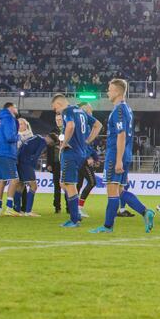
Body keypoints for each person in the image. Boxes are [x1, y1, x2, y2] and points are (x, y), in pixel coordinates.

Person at [90, 79, 155, 233]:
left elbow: (121, 135)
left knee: (112, 191)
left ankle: (107, 226)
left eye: (109, 89)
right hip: (125, 154)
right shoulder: (127, 109)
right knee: (119, 191)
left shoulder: (119, 110)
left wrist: (117, 160)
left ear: (118, 92)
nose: (107, 92)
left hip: (116, 156)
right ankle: (145, 212)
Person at [52, 94, 102, 227]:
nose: (55, 110)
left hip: (71, 153)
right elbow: (98, 125)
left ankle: (74, 219)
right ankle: (76, 215)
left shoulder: (66, 111)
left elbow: (70, 126)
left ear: (58, 104)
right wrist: (86, 142)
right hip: (81, 153)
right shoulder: (81, 111)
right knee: (66, 184)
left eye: (54, 107)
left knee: (68, 185)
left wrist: (64, 143)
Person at [17, 133, 59, 217]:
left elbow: (22, 146)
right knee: (33, 186)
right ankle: (28, 211)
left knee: (21, 185)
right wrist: (33, 166)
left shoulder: (36, 136)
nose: (50, 144)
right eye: (51, 142)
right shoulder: (43, 142)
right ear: (49, 139)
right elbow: (36, 155)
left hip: (20, 160)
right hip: (27, 163)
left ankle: (17, 210)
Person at [0, 102, 20, 217]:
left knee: (2, 180)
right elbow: (10, 137)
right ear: (10, 108)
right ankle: (9, 207)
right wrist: (19, 136)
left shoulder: (2, 119)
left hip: (0, 152)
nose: (16, 109)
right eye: (15, 107)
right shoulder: (9, 119)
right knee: (15, 180)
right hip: (7, 152)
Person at [77, 102, 102, 219]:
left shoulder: (86, 125)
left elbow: (88, 145)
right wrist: (88, 157)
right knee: (92, 182)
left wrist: (95, 157)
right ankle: (78, 208)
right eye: (88, 111)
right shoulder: (83, 125)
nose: (90, 113)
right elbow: (83, 144)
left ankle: (76, 208)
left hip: (82, 157)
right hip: (82, 158)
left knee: (79, 184)